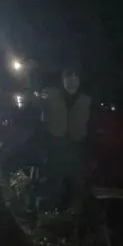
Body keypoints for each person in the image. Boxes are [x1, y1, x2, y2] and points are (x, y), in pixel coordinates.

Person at [41, 66, 92, 212]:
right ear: (63, 80)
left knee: (76, 183)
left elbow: (90, 124)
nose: (72, 81)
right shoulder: (51, 96)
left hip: (77, 146)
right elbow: (43, 121)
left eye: (75, 77)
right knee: (56, 181)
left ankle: (76, 213)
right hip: (56, 145)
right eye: (68, 77)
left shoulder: (86, 100)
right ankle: (56, 212)